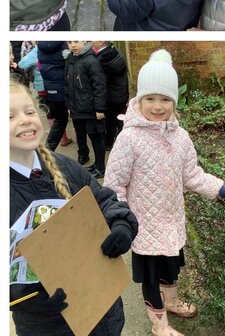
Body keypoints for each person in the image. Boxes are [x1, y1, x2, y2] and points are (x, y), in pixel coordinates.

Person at [104, 50, 225, 336]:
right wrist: (121, 220)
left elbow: (191, 174)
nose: (157, 106)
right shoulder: (128, 139)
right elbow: (114, 185)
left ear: (174, 102)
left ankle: (172, 301)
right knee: (151, 278)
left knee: (172, 269)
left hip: (171, 221)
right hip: (143, 226)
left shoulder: (180, 137)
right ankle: (159, 324)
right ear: (139, 100)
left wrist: (220, 187)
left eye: (165, 99)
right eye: (150, 99)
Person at [10, 79, 138, 336]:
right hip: (49, 325)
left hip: (103, 309)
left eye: (30, 111)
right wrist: (28, 300)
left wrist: (121, 225)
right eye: (10, 116)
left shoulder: (64, 167)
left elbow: (103, 199)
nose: (24, 120)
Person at [65, 41, 108, 178]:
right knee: (83, 135)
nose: (73, 45)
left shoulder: (91, 60)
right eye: (70, 42)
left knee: (96, 138)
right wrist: (69, 106)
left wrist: (100, 108)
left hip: (91, 108)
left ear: (84, 41)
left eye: (76, 41)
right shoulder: (70, 59)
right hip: (77, 108)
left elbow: (99, 85)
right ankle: (95, 165)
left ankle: (101, 168)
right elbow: (68, 85)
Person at [92, 41, 129, 151]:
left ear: (100, 42)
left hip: (111, 97)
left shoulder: (102, 60)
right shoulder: (116, 53)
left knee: (110, 122)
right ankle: (124, 141)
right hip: (121, 94)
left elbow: (100, 81)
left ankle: (108, 143)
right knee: (121, 119)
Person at [37, 41, 71, 149]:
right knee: (73, 118)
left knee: (60, 118)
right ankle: (82, 151)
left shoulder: (40, 46)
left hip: (50, 87)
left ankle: (49, 148)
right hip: (65, 86)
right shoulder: (64, 44)